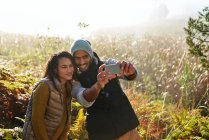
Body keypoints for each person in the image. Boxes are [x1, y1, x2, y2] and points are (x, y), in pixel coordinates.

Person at [22, 51, 110, 140]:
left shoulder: (68, 87)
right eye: (64, 67)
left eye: (71, 66)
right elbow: (37, 120)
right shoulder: (44, 86)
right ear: (55, 69)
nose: (69, 70)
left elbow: (64, 120)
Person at [70, 39, 140, 140]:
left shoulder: (107, 65)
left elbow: (129, 75)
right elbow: (84, 100)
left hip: (126, 130)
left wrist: (130, 71)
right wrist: (98, 85)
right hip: (101, 133)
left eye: (85, 56)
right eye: (77, 58)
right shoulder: (75, 81)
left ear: (91, 55)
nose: (81, 62)